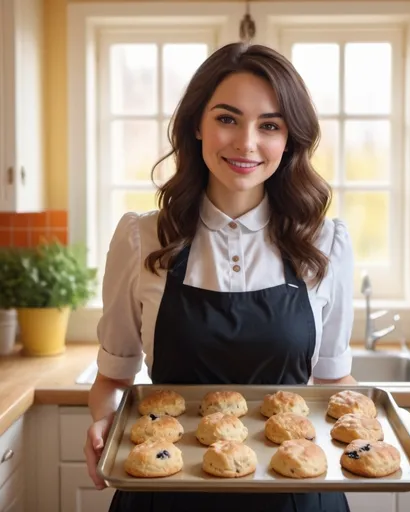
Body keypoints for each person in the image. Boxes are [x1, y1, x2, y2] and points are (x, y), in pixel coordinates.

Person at [84, 41, 382, 511]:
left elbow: (332, 383)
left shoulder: (324, 244)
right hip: (167, 498)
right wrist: (104, 422)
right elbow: (114, 380)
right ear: (197, 126)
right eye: (227, 118)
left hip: (298, 497)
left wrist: (390, 418)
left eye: (269, 125)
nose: (246, 143)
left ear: (289, 140)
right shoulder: (143, 239)